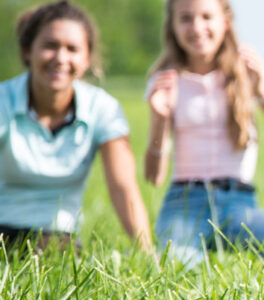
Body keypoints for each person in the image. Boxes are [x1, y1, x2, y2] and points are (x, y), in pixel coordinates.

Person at [144, 0, 264, 266]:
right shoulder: (166, 81)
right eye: (186, 19)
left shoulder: (245, 73)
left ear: (226, 20)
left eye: (206, 17)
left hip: (239, 204)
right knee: (177, 266)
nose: (197, 27)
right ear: (173, 26)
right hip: (184, 204)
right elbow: (154, 176)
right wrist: (159, 119)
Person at [0, 0, 152, 251]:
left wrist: (147, 252)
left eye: (72, 49)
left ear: (88, 58)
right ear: (28, 50)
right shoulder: (4, 100)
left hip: (58, 239)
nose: (61, 58)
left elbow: (123, 187)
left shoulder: (103, 108)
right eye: (50, 46)